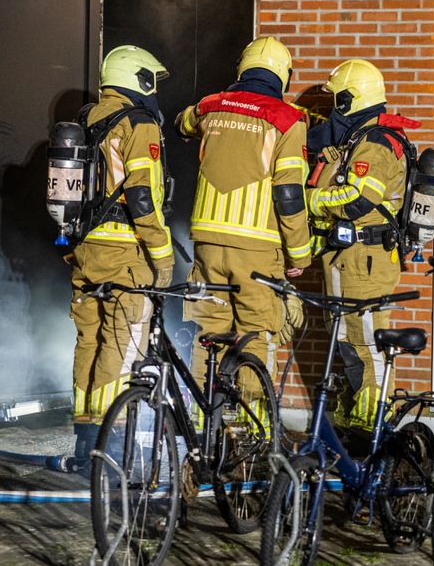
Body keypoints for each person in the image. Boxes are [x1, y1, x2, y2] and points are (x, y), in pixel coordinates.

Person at [176, 36, 311, 416]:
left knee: (209, 334)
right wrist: (299, 253)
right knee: (256, 335)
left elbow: (182, 123)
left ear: (243, 68)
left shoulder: (210, 106)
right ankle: (254, 429)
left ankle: (206, 426)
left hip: (205, 245)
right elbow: (288, 194)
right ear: (283, 75)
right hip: (255, 250)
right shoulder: (288, 120)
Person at [66, 45, 174, 471]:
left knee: (87, 344)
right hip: (127, 254)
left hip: (85, 252)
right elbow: (142, 195)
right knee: (122, 347)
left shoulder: (84, 120)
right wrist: (162, 256)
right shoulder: (139, 123)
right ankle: (111, 450)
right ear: (139, 79)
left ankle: (85, 444)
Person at [305, 59, 418, 432]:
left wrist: (312, 202)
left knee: (365, 341)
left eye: (338, 99)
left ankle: (373, 422)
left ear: (350, 99)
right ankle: (357, 416)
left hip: (364, 258)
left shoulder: (375, 143)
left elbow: (357, 199)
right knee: (348, 339)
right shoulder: (363, 137)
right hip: (351, 258)